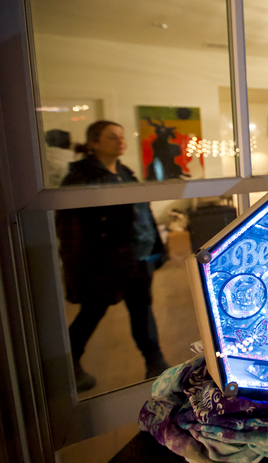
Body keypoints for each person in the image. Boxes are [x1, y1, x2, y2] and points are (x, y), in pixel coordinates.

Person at [56, 120, 168, 392]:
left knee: (142, 310)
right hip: (104, 263)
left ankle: (157, 365)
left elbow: (143, 213)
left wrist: (156, 247)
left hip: (137, 258)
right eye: (112, 137)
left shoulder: (125, 173)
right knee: (92, 312)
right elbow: (70, 227)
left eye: (122, 136)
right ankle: (66, 367)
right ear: (93, 143)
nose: (120, 141)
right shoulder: (81, 177)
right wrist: (80, 264)